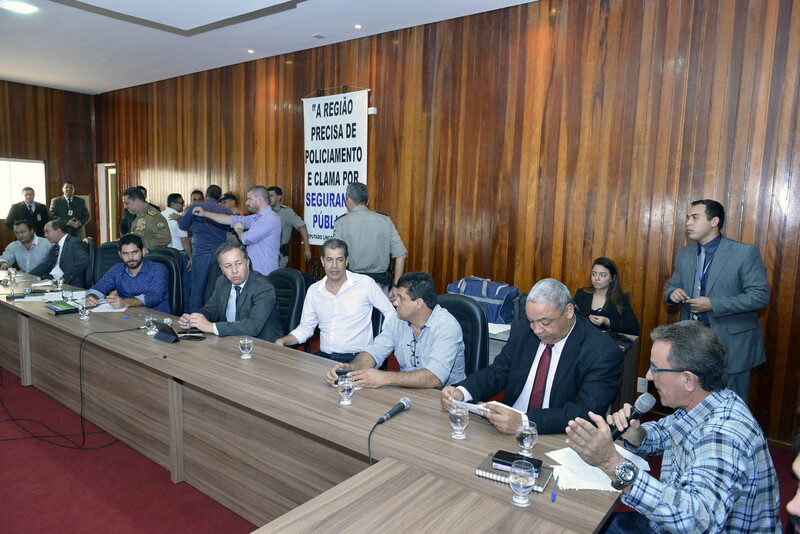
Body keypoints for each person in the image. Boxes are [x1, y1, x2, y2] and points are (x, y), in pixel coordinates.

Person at [565, 321, 780, 533]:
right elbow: (665, 434)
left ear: (688, 380)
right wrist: (638, 435)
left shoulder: (722, 436)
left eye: (655, 369)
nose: (649, 376)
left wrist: (611, 463)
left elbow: (698, 522)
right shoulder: (704, 403)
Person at [441, 278, 623, 435]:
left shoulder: (602, 352)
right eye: (531, 321)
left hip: (557, 438)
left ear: (568, 311)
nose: (536, 330)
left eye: (545, 322)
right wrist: (462, 391)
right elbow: (498, 372)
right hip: (504, 430)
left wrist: (524, 421)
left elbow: (585, 412)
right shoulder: (523, 330)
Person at [665, 199, 769, 402]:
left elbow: (759, 296)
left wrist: (714, 304)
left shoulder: (744, 253)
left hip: (731, 346)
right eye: (688, 218)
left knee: (731, 405)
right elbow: (672, 286)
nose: (688, 223)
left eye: (695, 218)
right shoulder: (684, 254)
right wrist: (673, 293)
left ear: (714, 221)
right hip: (693, 344)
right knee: (693, 403)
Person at [324, 271, 465, 389]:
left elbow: (434, 378)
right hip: (408, 392)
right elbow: (375, 351)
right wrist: (350, 369)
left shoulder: (447, 327)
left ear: (419, 303)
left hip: (445, 398)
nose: (395, 302)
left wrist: (384, 377)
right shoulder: (397, 319)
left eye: (401, 298)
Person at [275, 238, 394, 362]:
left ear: (346, 261)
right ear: (322, 261)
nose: (334, 266)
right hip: (325, 357)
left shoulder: (364, 284)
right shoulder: (314, 290)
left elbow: (390, 312)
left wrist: (378, 347)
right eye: (329, 260)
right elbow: (306, 328)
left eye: (339, 260)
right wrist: (283, 340)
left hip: (357, 358)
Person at [178, 242, 282, 342]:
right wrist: (194, 319)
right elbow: (211, 310)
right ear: (222, 269)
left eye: (238, 264)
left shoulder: (263, 287)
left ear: (247, 263)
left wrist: (211, 327)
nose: (234, 271)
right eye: (228, 266)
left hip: (263, 346)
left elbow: (253, 326)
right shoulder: (222, 282)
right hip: (231, 341)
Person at [333, 182, 407, 296]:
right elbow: (401, 255)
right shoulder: (385, 220)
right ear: (367, 201)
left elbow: (335, 257)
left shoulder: (341, 223)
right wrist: (396, 286)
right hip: (380, 289)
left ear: (349, 201)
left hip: (352, 289)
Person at [191, 185, 280, 276]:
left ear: (259, 199)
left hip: (265, 272)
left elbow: (246, 239)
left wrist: (238, 229)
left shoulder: (270, 218)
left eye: (249, 199)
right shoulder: (256, 218)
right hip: (255, 271)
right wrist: (205, 214)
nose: (247, 203)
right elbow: (229, 219)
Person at [179, 185, 232, 312]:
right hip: (220, 255)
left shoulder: (195, 208)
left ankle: (194, 320)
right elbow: (232, 226)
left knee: (197, 290)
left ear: (206, 195)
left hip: (201, 254)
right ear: (220, 197)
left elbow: (183, 225)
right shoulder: (225, 210)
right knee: (218, 290)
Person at [85, 234, 169, 313]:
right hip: (127, 314)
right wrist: (92, 297)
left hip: (155, 316)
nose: (130, 258)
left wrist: (125, 302)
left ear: (143, 251)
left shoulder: (157, 269)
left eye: (134, 252)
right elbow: (99, 287)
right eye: (125, 254)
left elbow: (154, 297)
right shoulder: (118, 269)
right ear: (120, 255)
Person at [573, 257, 639, 335]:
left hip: (608, 341)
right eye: (593, 274)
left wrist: (608, 321)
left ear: (612, 278)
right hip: (582, 339)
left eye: (603, 275)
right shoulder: (581, 294)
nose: (596, 278)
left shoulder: (621, 299)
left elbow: (634, 328)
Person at [29, 219, 90, 287]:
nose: (45, 235)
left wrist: (65, 278)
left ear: (58, 231)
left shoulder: (74, 243)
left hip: (68, 284)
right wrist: (28, 275)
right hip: (51, 280)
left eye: (47, 231)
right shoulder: (54, 247)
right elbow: (46, 264)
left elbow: (84, 260)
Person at [267, 186, 312, 268]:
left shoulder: (286, 212)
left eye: (271, 196)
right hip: (267, 253)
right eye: (268, 196)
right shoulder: (267, 211)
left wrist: (307, 249)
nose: (269, 198)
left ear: (279, 197)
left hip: (279, 255)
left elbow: (302, 227)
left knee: (275, 276)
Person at [163, 193, 192, 313]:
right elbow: (184, 240)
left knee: (168, 286)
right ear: (173, 204)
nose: (184, 205)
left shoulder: (160, 216)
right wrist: (191, 257)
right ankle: (184, 314)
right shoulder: (177, 219)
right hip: (179, 255)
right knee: (184, 287)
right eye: (181, 203)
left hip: (163, 255)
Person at [121, 187, 171, 252]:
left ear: (137, 201)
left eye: (127, 203)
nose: (125, 206)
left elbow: (165, 238)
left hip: (151, 255)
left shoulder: (153, 217)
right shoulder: (139, 214)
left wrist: (141, 246)